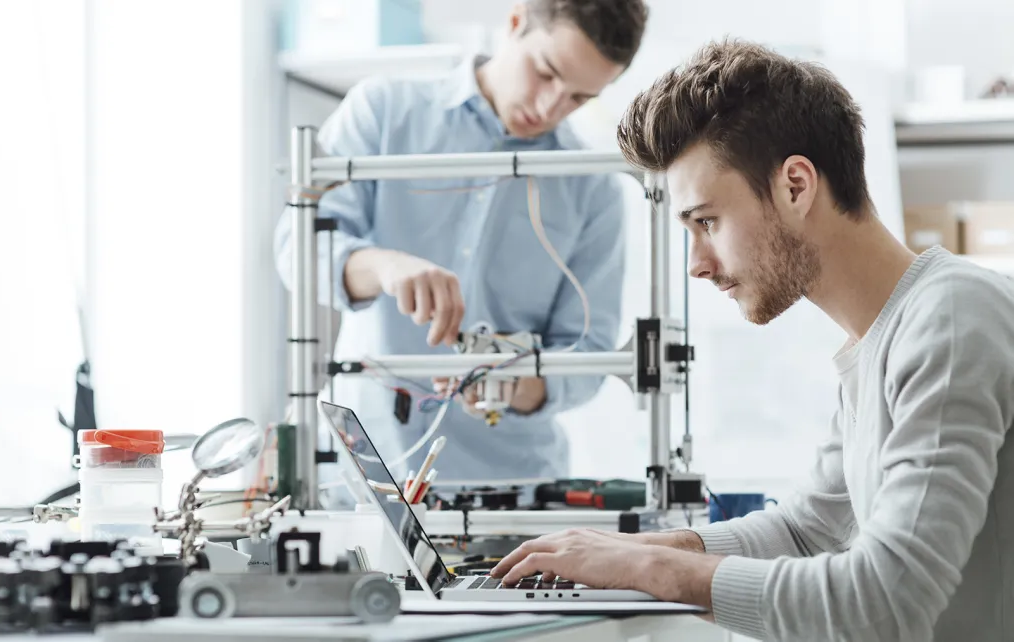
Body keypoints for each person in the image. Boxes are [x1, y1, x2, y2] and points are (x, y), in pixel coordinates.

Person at [489, 39, 1014, 641]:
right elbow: (808, 530)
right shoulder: (881, 335)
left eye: (706, 221)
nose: (697, 264)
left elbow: (886, 602)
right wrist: (651, 548)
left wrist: (655, 567)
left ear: (795, 185)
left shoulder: (951, 316)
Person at [274, 1, 649, 495]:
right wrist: (384, 266)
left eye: (578, 98)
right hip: (362, 470)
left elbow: (589, 351)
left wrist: (515, 387)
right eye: (545, 72)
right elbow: (297, 252)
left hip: (510, 490)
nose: (549, 107)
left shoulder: (593, 185)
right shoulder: (383, 112)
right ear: (514, 23)